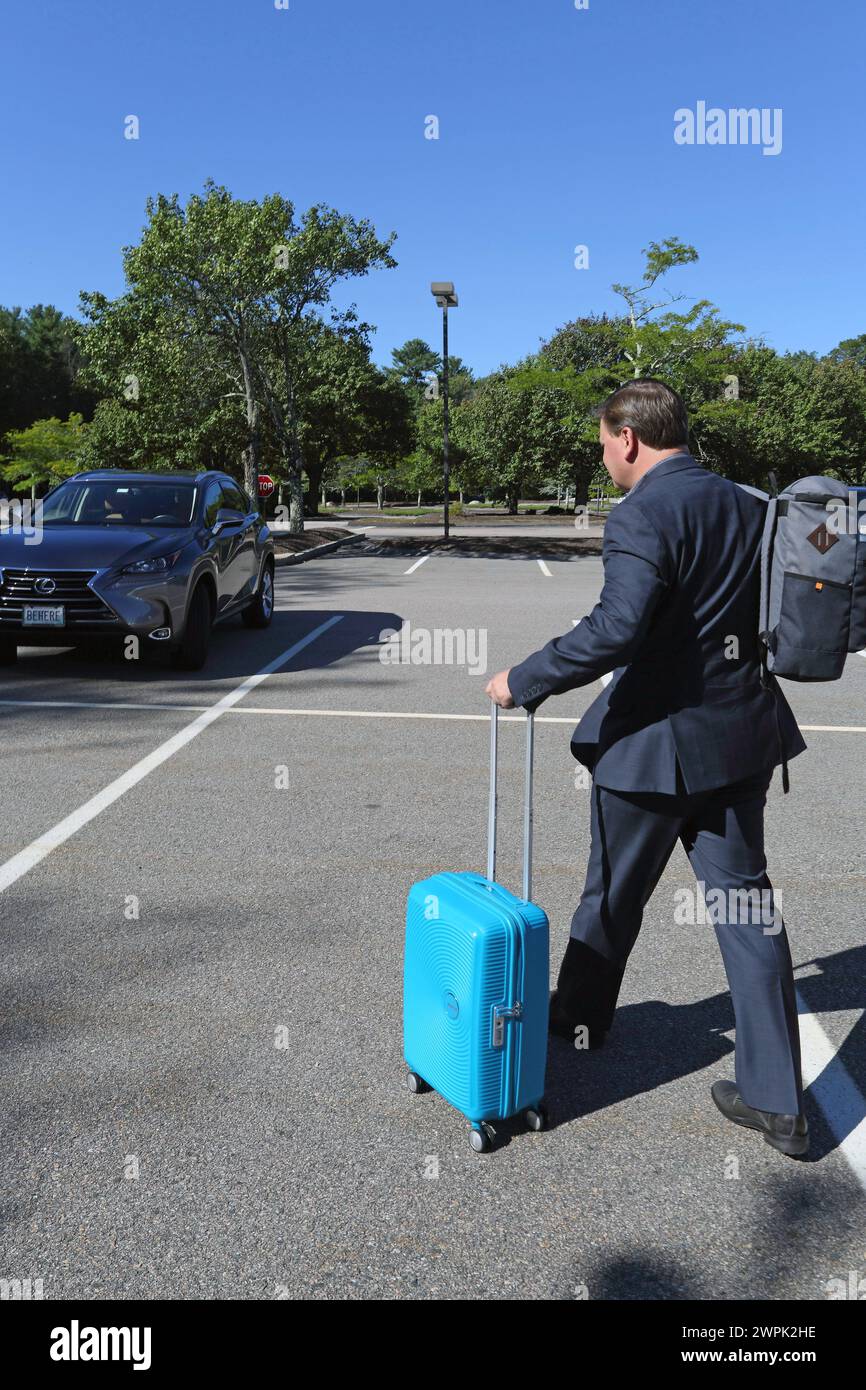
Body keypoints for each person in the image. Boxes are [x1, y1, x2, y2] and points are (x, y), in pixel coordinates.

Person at [485, 378, 809, 1158]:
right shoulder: (750, 505)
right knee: (745, 910)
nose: (603, 457)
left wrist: (522, 680)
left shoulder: (641, 514)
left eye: (603, 443)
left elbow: (616, 629)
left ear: (628, 437)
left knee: (612, 894)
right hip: (739, 742)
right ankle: (779, 1102)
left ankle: (580, 1021)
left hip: (653, 752)